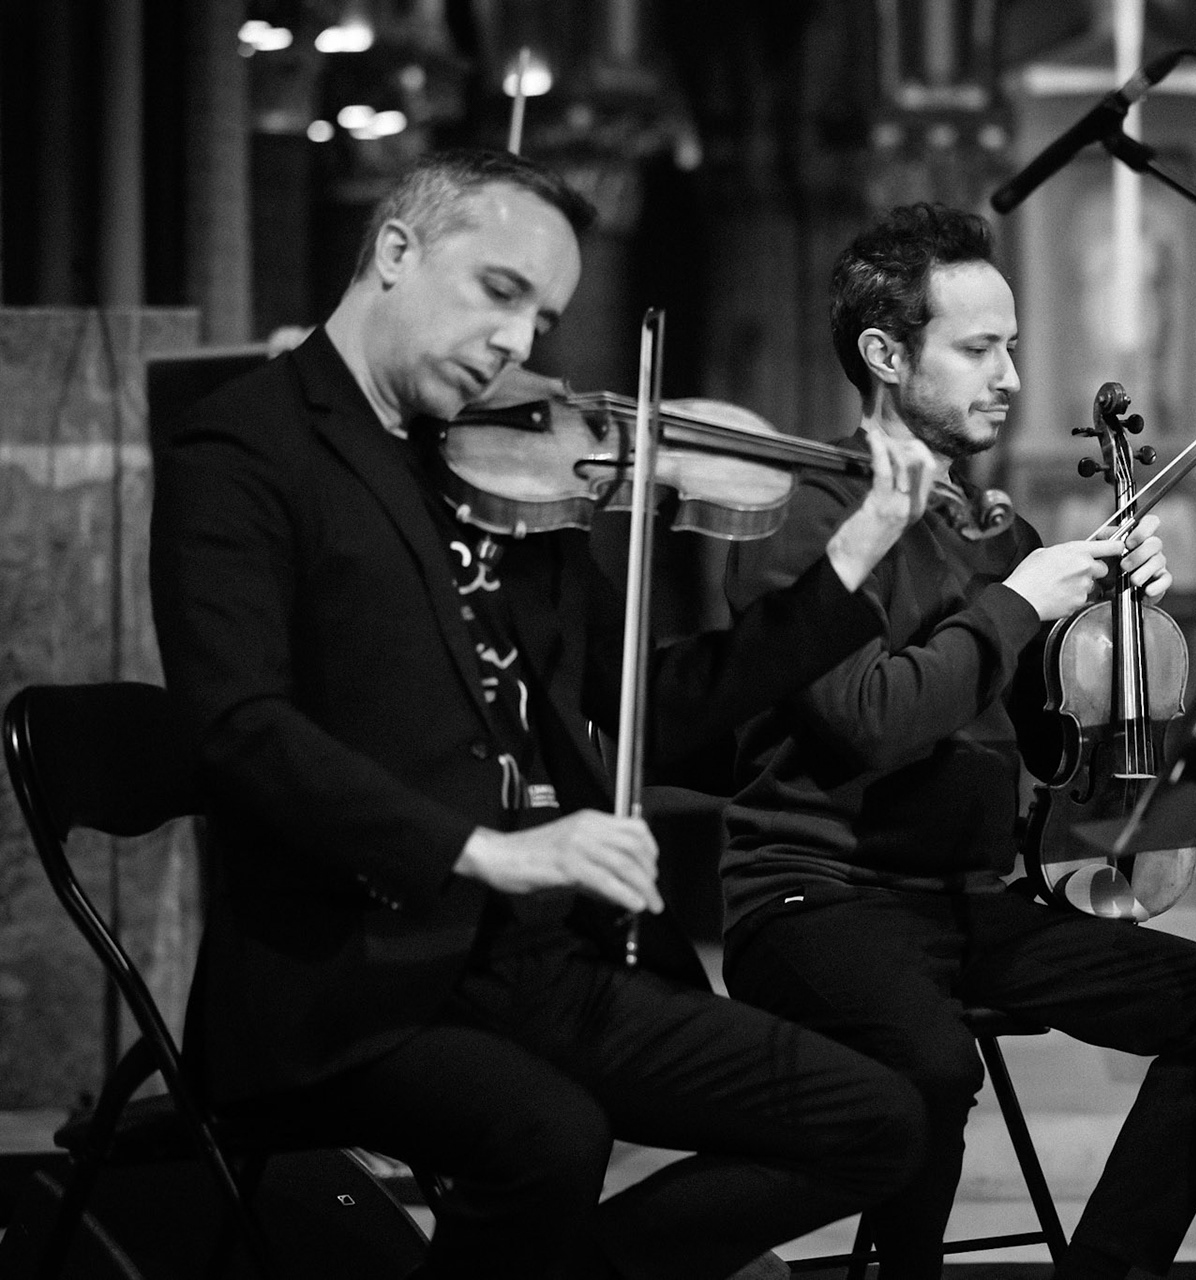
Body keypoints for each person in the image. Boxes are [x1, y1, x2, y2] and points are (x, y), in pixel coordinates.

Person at [150, 149, 943, 1280]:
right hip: (348, 981)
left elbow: (645, 710)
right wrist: (486, 852)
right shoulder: (245, 449)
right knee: (548, 1135)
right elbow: (236, 731)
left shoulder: (514, 466)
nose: (522, 346)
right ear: (394, 251)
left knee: (876, 1118)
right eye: (501, 294)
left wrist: (850, 562)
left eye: (546, 317)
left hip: (539, 962)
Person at [721, 202, 1196, 1280]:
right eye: (978, 347)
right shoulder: (803, 512)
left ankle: (1111, 1266)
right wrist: (1020, 598)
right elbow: (869, 719)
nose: (1012, 371)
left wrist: (1106, 631)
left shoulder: (994, 528)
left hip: (972, 901)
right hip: (815, 893)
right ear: (885, 353)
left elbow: (1046, 752)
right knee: (930, 1061)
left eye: (1011, 343)